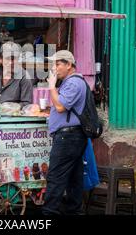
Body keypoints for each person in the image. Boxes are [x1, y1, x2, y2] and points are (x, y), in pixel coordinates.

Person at [42, 50, 88, 215]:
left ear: (69, 65)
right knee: (74, 179)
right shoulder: (70, 83)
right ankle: (74, 212)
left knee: (55, 177)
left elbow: (61, 107)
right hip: (71, 136)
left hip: (68, 137)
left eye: (58, 64)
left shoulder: (73, 83)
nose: (54, 68)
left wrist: (52, 86)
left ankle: (49, 213)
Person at [0, 41, 33, 107]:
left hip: (13, 116)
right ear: (1, 59)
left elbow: (27, 104)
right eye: (7, 59)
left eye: (13, 59)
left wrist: (12, 107)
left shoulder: (24, 77)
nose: (11, 62)